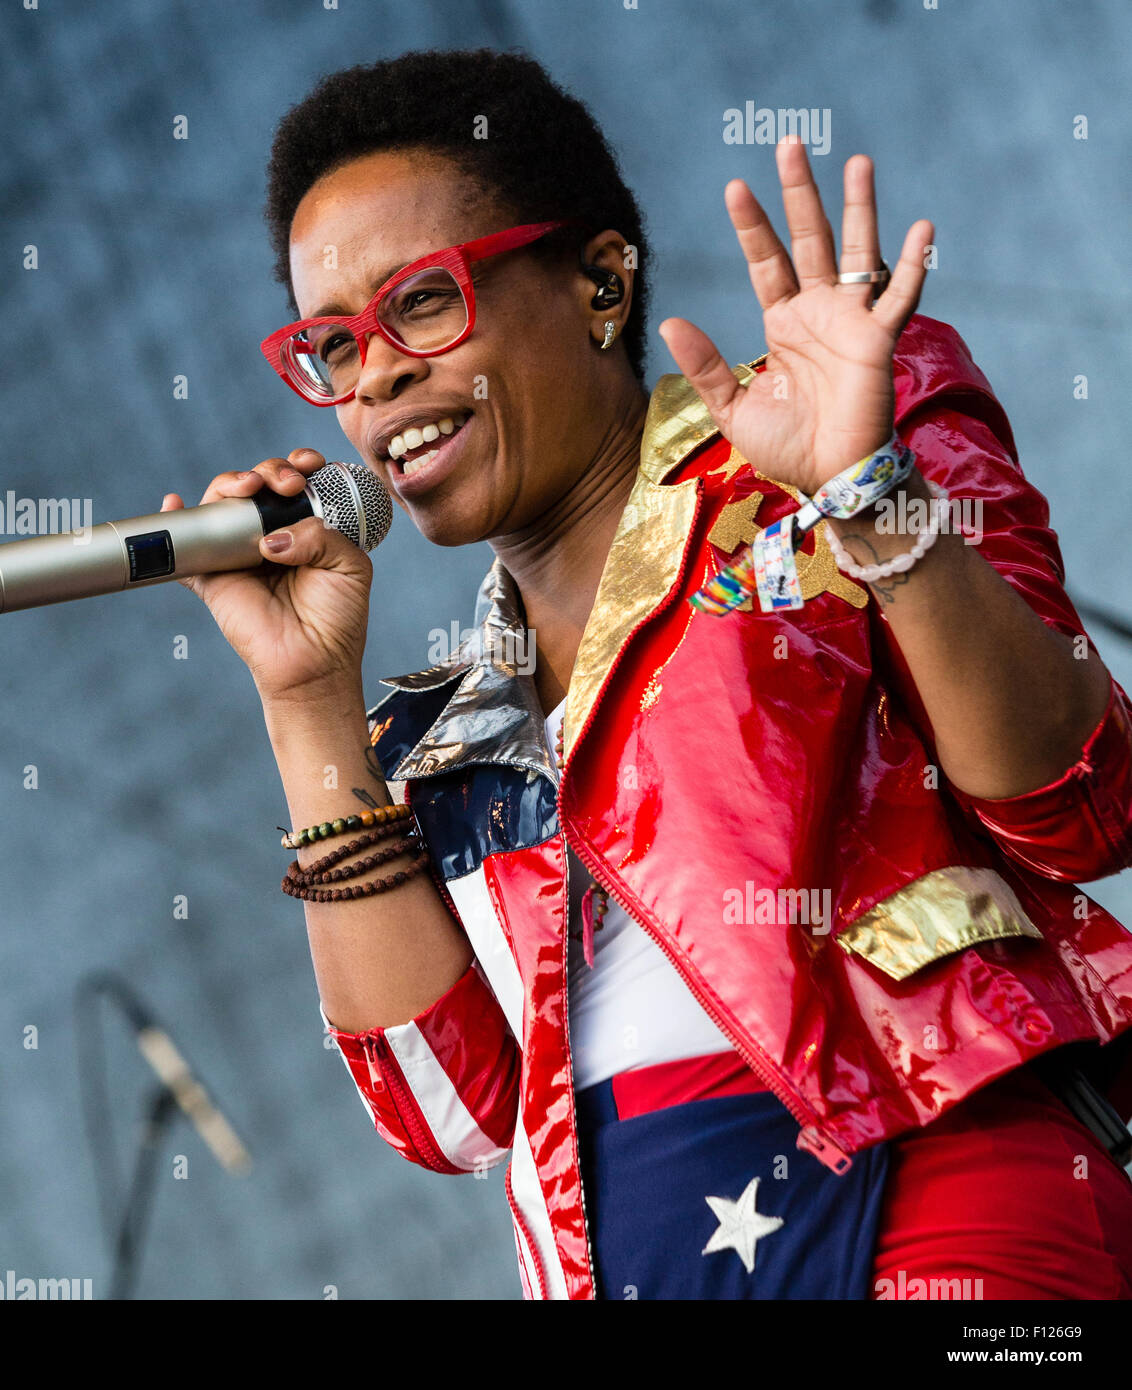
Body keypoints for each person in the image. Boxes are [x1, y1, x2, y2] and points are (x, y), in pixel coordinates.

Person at [161, 49, 1132, 1300]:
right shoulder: (450, 725)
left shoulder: (823, 444)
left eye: (419, 304)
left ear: (599, 282)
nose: (378, 377)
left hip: (935, 1185)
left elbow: (1083, 801)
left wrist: (866, 496)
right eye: (332, 345)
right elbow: (449, 1113)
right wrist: (304, 699)